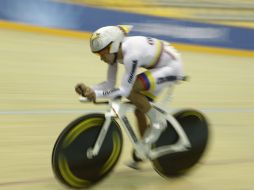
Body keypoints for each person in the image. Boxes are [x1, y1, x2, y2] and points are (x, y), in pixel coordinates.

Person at [75, 25, 184, 169]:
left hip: (172, 67)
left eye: (102, 53)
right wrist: (91, 89)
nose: (101, 58)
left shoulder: (131, 55)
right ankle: (145, 147)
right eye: (98, 55)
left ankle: (158, 122)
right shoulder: (115, 53)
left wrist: (97, 94)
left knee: (132, 89)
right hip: (158, 67)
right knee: (139, 110)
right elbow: (109, 84)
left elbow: (125, 90)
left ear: (113, 46)